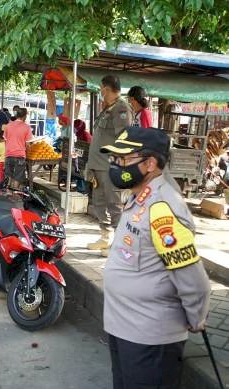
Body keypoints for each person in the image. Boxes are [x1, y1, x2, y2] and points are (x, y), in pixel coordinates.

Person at [99, 127, 211, 389]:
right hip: (123, 327)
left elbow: (194, 281)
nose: (115, 165)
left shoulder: (163, 208)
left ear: (150, 164)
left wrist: (196, 318)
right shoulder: (138, 197)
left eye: (123, 160)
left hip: (149, 337)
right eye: (113, 159)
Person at [86, 75, 134, 253]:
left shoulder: (122, 109)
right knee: (99, 202)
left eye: (101, 89)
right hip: (98, 165)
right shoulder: (107, 109)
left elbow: (125, 138)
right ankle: (105, 237)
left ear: (106, 89)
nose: (100, 93)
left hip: (110, 166)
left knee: (114, 205)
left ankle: (120, 244)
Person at [4, 108, 33, 189]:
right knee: (17, 176)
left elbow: (5, 141)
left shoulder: (8, 125)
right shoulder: (27, 127)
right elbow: (27, 145)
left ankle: (8, 192)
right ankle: (14, 192)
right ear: (24, 116)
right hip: (20, 155)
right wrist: (28, 151)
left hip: (8, 154)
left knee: (9, 176)